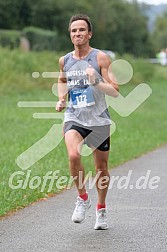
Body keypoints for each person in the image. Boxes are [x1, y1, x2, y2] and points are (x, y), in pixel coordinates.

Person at [56, 13, 119, 230]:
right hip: (74, 117)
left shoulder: (101, 58)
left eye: (81, 30)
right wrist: (62, 98)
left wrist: (97, 81)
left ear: (89, 34)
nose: (77, 33)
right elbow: (62, 79)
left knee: (101, 167)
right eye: (74, 30)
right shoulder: (65, 60)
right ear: (70, 35)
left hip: (99, 120)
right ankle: (83, 197)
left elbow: (115, 91)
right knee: (73, 155)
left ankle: (101, 209)